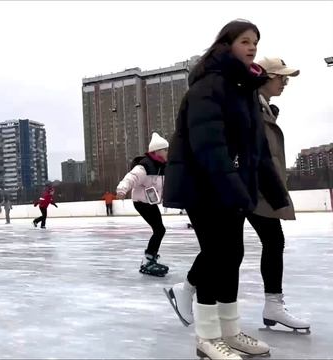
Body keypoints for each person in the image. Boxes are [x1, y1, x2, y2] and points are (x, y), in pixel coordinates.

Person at [161, 20, 289, 359]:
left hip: (230, 185)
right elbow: (209, 146)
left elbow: (256, 148)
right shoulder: (208, 87)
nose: (251, 48)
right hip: (203, 185)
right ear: (226, 44)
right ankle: (207, 338)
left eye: (255, 43)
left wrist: (275, 194)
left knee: (232, 254)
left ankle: (229, 332)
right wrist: (233, 187)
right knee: (218, 256)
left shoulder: (244, 89)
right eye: (245, 41)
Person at [165, 57, 309, 333]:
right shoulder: (240, 100)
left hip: (255, 184)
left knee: (238, 246)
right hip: (244, 185)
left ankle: (201, 297)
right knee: (228, 247)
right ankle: (208, 309)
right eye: (281, 77)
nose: (284, 83)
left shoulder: (262, 105)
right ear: (265, 76)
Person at [116, 132, 169, 277]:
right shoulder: (145, 165)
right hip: (141, 202)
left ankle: (150, 257)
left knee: (160, 230)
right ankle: (148, 259)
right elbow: (131, 177)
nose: (167, 152)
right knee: (159, 230)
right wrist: (122, 189)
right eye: (165, 150)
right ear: (157, 151)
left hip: (150, 202)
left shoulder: (163, 166)